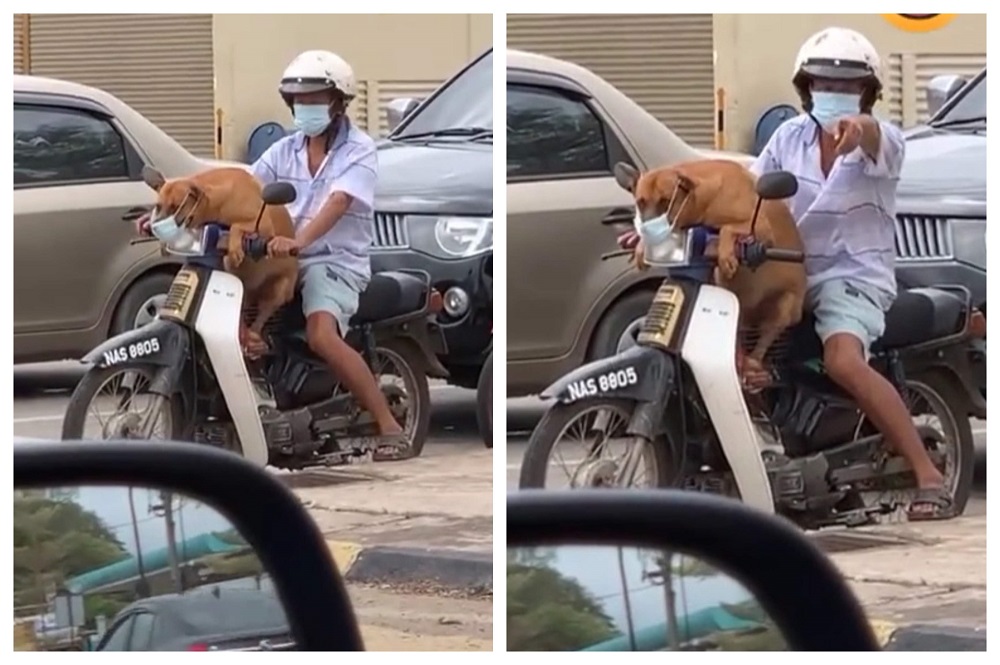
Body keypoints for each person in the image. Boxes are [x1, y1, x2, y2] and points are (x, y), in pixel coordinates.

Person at [136, 49, 406, 456]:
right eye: (299, 100)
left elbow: (339, 202)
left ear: (338, 102)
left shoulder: (359, 149)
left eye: (315, 99)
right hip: (277, 254)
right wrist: (163, 211)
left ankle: (389, 427)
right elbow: (241, 186)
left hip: (332, 260)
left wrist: (300, 240)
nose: (305, 107)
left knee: (320, 334)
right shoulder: (286, 149)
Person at [750, 27, 951, 520]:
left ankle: (928, 475)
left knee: (842, 360)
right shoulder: (787, 138)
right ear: (807, 88)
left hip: (854, 276)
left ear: (867, 92)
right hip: (791, 272)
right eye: (824, 84)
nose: (834, 93)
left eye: (848, 86)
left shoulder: (885, 141)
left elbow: (877, 138)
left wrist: (861, 129)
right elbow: (747, 192)